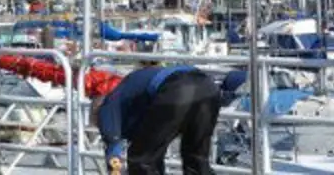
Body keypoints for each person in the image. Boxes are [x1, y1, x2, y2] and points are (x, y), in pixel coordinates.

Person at [92, 65, 246, 175]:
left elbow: (114, 156)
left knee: (141, 160)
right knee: (196, 160)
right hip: (207, 87)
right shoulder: (129, 98)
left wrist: (115, 168)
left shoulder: (107, 106)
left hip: (177, 89)